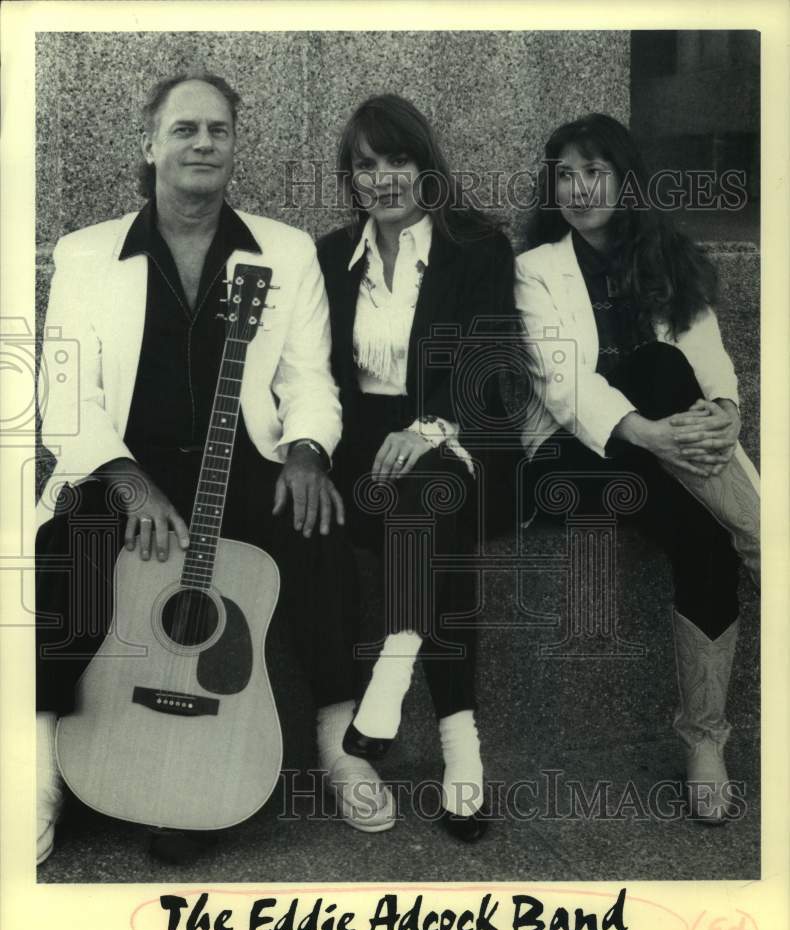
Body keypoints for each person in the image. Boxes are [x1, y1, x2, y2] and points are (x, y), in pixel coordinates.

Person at [35, 72, 396, 865]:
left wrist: (306, 451)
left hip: (243, 463)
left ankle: (341, 740)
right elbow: (63, 394)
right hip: (125, 467)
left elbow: (308, 378)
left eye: (218, 131)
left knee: (317, 528)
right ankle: (42, 762)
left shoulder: (285, 250)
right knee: (73, 543)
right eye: (185, 129)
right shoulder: (87, 255)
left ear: (236, 145)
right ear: (150, 144)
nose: (203, 143)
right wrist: (127, 482)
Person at [514, 112, 760, 824]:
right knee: (653, 368)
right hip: (572, 459)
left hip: (668, 454)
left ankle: (705, 740)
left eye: (595, 171)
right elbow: (563, 383)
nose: (580, 187)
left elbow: (708, 360)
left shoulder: (667, 258)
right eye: (566, 173)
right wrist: (650, 431)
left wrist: (726, 410)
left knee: (705, 535)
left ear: (625, 179)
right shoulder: (533, 270)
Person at [316, 94, 516, 843]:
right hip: (360, 450)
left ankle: (394, 673)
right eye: (366, 165)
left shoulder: (476, 247)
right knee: (428, 525)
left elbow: (484, 363)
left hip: (459, 435)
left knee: (432, 494)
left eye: (397, 159)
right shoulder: (330, 256)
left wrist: (427, 427)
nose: (384, 178)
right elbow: (313, 372)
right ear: (350, 178)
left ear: (424, 164)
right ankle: (462, 754)